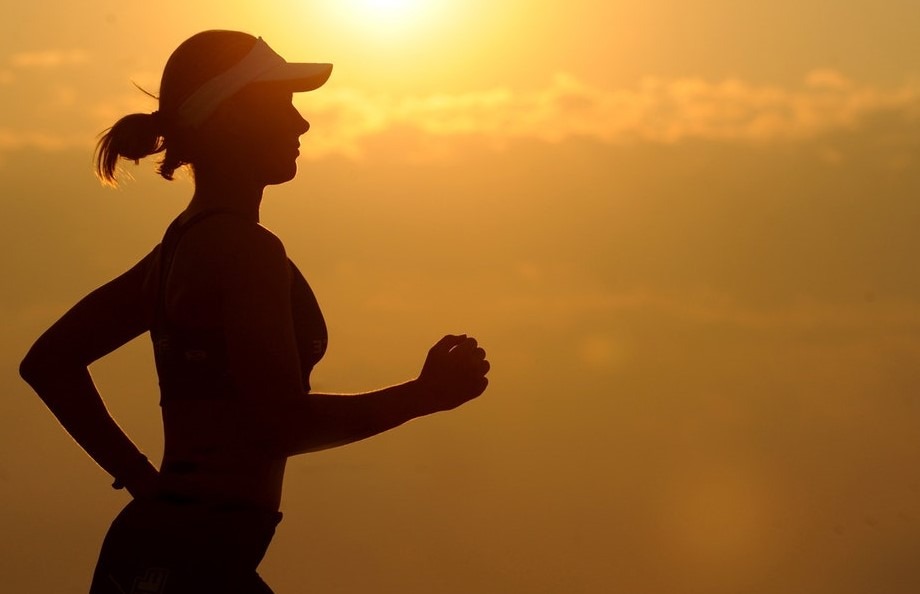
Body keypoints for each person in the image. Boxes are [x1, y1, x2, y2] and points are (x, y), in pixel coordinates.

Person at [19, 30, 490, 594]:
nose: (302, 124)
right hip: (192, 560)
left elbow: (49, 362)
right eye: (282, 104)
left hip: (174, 550)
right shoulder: (244, 250)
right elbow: (277, 424)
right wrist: (421, 397)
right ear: (230, 117)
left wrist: (144, 480)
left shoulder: (179, 247)